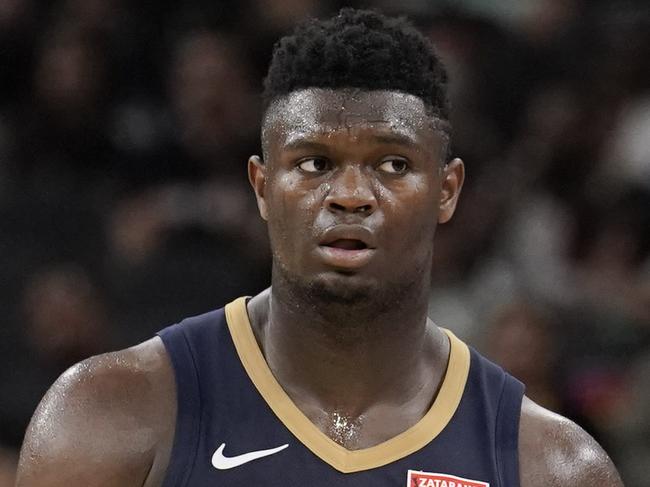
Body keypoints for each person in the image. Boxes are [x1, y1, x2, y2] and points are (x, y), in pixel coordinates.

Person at [15, 9, 623, 487]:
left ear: (447, 189)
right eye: (314, 162)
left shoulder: (552, 466)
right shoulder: (110, 415)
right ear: (261, 186)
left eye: (392, 163)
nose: (353, 195)